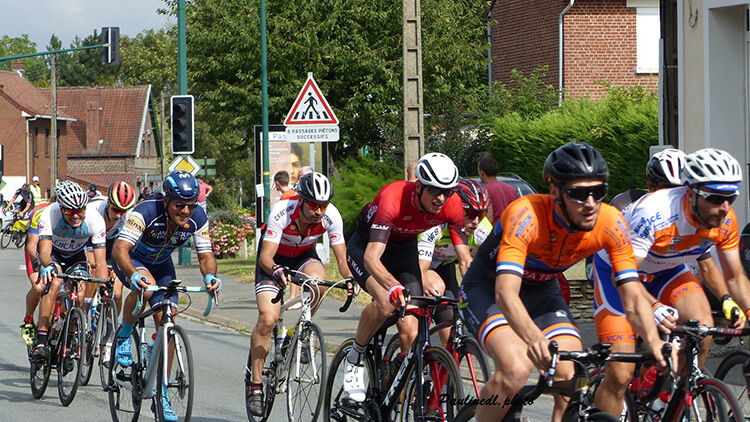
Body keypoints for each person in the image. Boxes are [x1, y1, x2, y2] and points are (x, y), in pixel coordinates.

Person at [459, 142, 673, 422]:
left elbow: (631, 292)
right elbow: (506, 292)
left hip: (543, 290)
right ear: (555, 192)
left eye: (598, 192)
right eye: (579, 193)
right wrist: (535, 338)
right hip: (488, 288)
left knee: (572, 374)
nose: (590, 203)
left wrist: (654, 339)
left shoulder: (610, 222)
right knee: (515, 368)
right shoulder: (526, 215)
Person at [592, 147, 750, 417]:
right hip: (618, 274)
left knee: (703, 330)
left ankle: (668, 400)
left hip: (667, 269)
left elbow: (734, 276)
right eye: (714, 197)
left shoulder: (724, 219)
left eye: (731, 197)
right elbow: (627, 276)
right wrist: (652, 307)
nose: (724, 207)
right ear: (691, 193)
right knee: (620, 373)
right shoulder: (654, 213)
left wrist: (741, 307)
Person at [342, 152, 472, 402]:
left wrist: (477, 295)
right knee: (385, 300)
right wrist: (391, 286)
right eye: (434, 190)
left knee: (411, 332)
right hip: (367, 247)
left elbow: (465, 260)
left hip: (404, 250)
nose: (441, 198)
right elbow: (371, 257)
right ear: (419, 185)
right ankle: (355, 356)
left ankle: (393, 387)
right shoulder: (393, 197)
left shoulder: (452, 205)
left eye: (448, 191)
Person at [112, 170, 220, 421]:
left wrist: (210, 277)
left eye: (190, 206)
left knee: (168, 319)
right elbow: (120, 250)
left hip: (161, 264)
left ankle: (161, 393)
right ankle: (125, 335)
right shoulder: (146, 212)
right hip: (132, 259)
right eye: (179, 205)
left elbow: (205, 256)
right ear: (166, 201)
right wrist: (133, 274)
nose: (185, 211)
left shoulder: (198, 217)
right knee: (145, 287)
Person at [246, 172, 353, 416]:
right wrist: (275, 270)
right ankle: (256, 384)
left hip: (304, 256)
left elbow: (341, 258)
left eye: (323, 206)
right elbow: (265, 257)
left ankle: (301, 332)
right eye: (313, 205)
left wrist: (349, 279)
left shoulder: (331, 216)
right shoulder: (283, 211)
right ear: (302, 200)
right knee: (267, 320)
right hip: (273, 260)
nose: (318, 211)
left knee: (320, 283)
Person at [30, 181, 109, 360]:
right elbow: (44, 252)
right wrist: (48, 266)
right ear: (61, 207)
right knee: (55, 282)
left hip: (75, 255)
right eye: (70, 212)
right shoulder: (50, 213)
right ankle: (41, 339)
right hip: (54, 255)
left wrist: (103, 286)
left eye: (80, 211)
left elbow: (101, 261)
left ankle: (70, 337)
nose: (76, 216)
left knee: (80, 294)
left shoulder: (95, 220)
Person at [417, 179, 492, 346]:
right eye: (470, 214)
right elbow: (421, 268)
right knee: (432, 292)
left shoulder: (482, 229)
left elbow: (491, 264)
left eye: (481, 214)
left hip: (444, 266)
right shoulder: (437, 225)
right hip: (418, 263)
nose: (476, 221)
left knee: (450, 328)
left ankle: (445, 366)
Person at [84, 181, 138, 314]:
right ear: (108, 202)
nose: (119, 215)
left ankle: (109, 328)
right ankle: (84, 311)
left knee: (117, 293)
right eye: (115, 210)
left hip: (112, 241)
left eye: (123, 211)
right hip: (91, 238)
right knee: (94, 268)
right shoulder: (93, 210)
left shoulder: (129, 215)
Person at [19, 200, 52, 346]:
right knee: (39, 287)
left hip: (55, 250)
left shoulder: (75, 215)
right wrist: (39, 264)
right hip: (37, 249)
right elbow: (32, 245)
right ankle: (28, 319)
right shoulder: (40, 212)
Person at [477, 157, 519, 225]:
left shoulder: (485, 191)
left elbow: (489, 219)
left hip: (495, 231)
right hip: (511, 230)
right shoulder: (512, 190)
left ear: (482, 172)